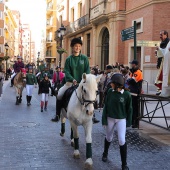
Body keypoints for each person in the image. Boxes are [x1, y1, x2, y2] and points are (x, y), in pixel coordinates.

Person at [51, 37, 90, 122]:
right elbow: (67, 72)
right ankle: (57, 115)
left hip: (82, 84)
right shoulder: (69, 59)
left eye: (79, 46)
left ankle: (92, 115)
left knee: (91, 95)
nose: (78, 48)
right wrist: (73, 80)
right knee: (60, 94)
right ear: (72, 47)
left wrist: (84, 80)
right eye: (76, 46)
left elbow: (87, 71)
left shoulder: (84, 58)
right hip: (70, 83)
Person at [102, 73, 132, 170]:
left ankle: (124, 164)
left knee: (122, 140)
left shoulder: (127, 95)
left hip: (121, 119)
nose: (110, 84)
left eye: (112, 83)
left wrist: (128, 122)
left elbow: (129, 109)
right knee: (109, 137)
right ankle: (105, 153)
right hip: (110, 118)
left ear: (117, 84)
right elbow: (105, 106)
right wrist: (104, 120)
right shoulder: (110, 92)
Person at [127, 59, 143, 128]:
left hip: (136, 92)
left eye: (132, 64)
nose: (131, 65)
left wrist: (129, 80)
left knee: (135, 108)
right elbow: (128, 80)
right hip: (132, 91)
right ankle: (132, 121)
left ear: (135, 65)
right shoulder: (132, 72)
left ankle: (136, 123)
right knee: (132, 107)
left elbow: (133, 81)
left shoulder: (138, 72)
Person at [155, 30, 169, 95]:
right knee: (161, 75)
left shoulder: (168, 42)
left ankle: (163, 90)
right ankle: (160, 90)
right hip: (163, 61)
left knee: (163, 75)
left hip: (166, 62)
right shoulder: (162, 42)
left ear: (166, 35)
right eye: (160, 35)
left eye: (161, 34)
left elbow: (165, 52)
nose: (160, 36)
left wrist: (159, 50)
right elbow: (162, 53)